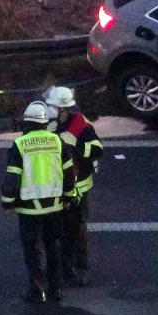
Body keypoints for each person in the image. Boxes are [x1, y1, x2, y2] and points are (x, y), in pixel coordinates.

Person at [1, 100, 76, 303]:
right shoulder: (58, 142)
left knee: (33, 249)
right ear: (45, 123)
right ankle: (56, 289)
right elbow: (69, 174)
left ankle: (37, 291)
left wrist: (8, 203)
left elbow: (12, 177)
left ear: (27, 123)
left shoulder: (20, 145)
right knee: (53, 246)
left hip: (29, 209)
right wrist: (69, 197)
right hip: (55, 206)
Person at [47, 85, 103, 287]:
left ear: (65, 109)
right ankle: (63, 268)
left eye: (54, 108)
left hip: (78, 188)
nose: (50, 111)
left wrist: (77, 146)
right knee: (58, 231)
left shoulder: (81, 126)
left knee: (77, 231)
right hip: (58, 187)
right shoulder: (50, 125)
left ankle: (81, 268)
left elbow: (97, 150)